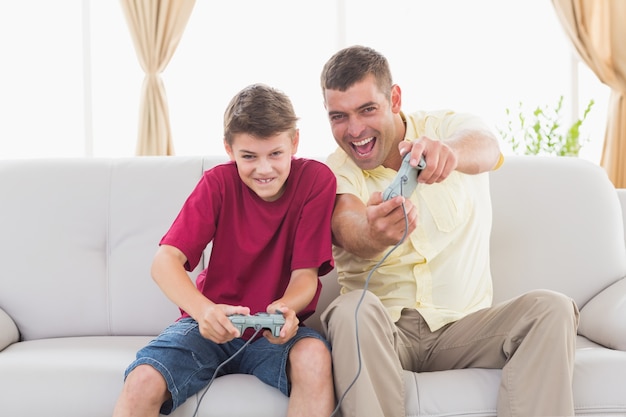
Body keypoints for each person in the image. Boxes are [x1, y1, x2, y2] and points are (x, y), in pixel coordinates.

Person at [318, 45, 580, 417]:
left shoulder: (445, 128)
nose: (355, 130)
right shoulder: (333, 171)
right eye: (338, 117)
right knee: (348, 310)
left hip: (465, 329)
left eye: (367, 109)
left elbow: (486, 146)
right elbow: (347, 224)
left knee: (552, 308)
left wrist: (451, 153)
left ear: (394, 99)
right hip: (385, 334)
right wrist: (373, 232)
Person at [112, 83, 337, 417]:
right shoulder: (217, 184)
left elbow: (304, 276)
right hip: (208, 325)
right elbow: (164, 262)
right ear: (229, 150)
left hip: (274, 333)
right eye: (249, 156)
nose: (264, 169)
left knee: (314, 358)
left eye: (275, 153)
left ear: (294, 142)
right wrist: (204, 312)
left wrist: (285, 310)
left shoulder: (316, 181)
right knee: (143, 380)